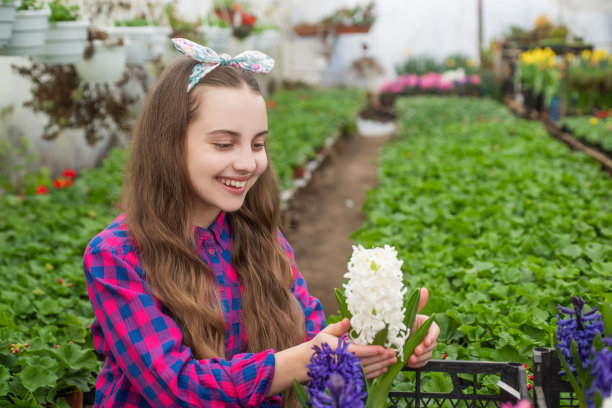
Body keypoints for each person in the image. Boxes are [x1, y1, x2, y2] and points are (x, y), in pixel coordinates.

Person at [82, 38, 439, 407]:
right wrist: (304, 358)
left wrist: (386, 337)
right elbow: (176, 387)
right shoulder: (117, 256)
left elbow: (314, 342)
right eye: (224, 144)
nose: (248, 163)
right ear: (168, 144)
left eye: (257, 144)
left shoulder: (260, 240)